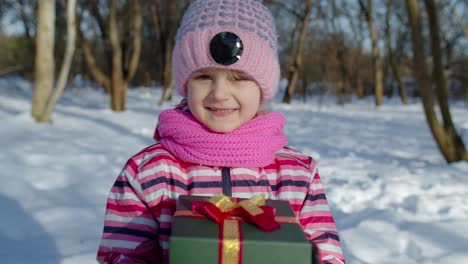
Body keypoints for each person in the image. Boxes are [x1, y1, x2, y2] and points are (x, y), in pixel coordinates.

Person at [96, 0, 344, 263]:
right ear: (185, 83)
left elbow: (327, 253)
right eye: (204, 77)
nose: (220, 94)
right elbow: (120, 255)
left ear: (263, 87)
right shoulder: (147, 173)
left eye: (238, 78)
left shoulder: (298, 175)